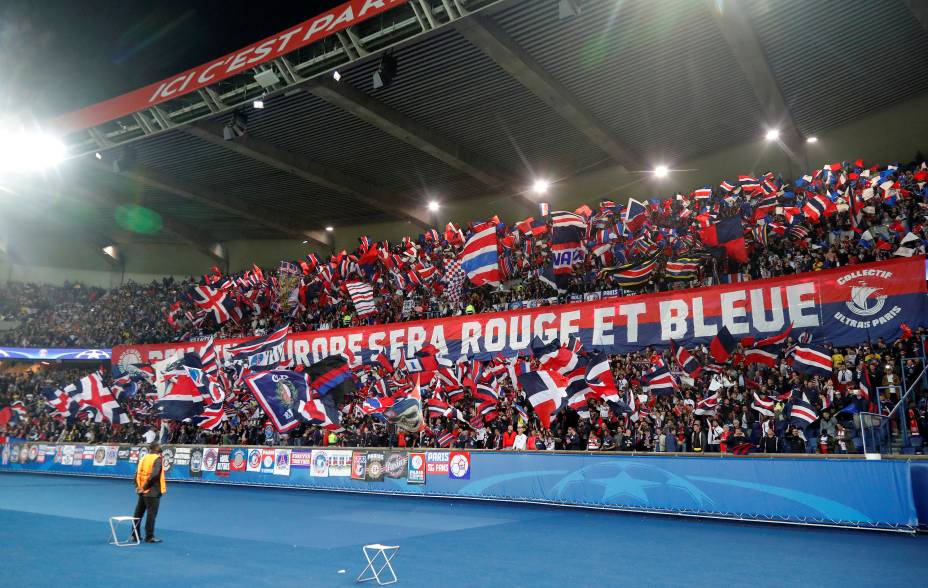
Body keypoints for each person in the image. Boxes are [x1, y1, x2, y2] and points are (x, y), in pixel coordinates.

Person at [133, 442, 165, 543]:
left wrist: (138, 487)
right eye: (160, 446)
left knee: (138, 514)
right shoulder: (157, 459)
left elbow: (137, 473)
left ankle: (135, 535)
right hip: (152, 492)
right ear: (156, 448)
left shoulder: (144, 458)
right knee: (151, 515)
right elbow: (154, 475)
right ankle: (149, 536)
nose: (161, 447)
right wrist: (145, 487)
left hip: (142, 491)